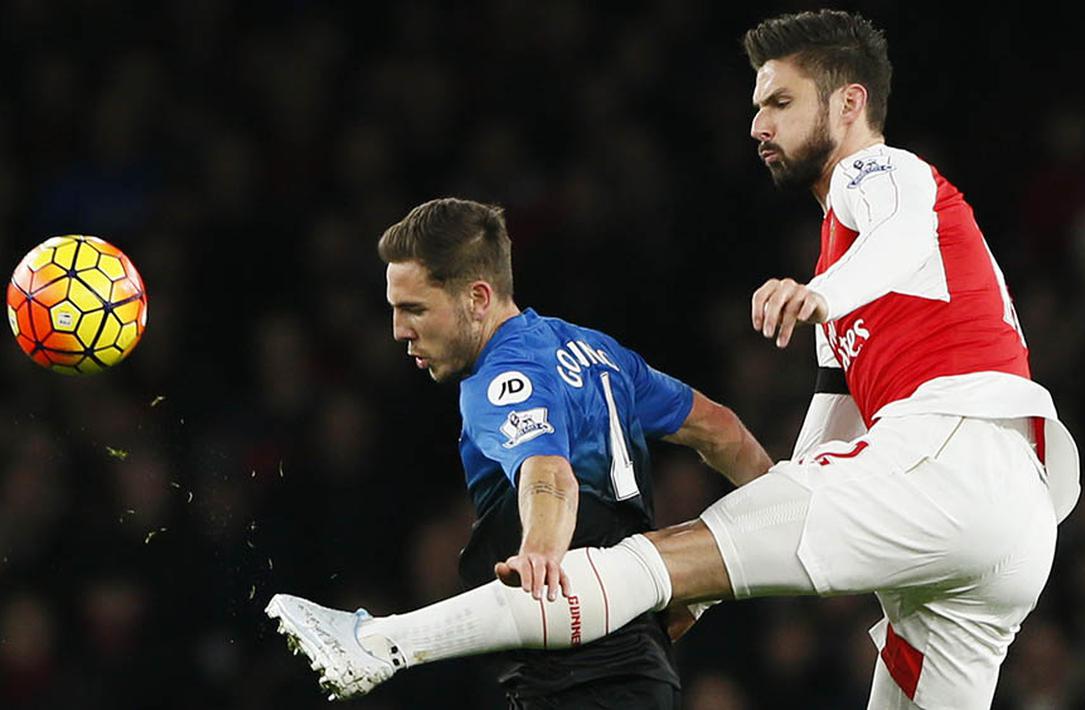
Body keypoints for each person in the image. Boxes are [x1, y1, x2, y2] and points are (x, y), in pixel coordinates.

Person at [267, 10, 1080, 708]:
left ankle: (379, 642)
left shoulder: (880, 173)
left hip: (948, 454)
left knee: (643, 562)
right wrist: (715, 577)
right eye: (756, 106)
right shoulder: (862, 281)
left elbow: (899, 238)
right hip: (1004, 527)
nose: (757, 125)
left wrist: (819, 291)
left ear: (849, 102)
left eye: (779, 103)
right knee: (672, 566)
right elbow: (811, 466)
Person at [267, 197, 772, 706]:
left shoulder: (502, 377)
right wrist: (785, 505)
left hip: (583, 676)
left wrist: (541, 552)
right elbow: (720, 428)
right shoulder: (596, 352)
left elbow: (548, 473)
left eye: (414, 309)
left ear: (478, 298)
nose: (399, 330)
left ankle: (377, 642)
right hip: (629, 666)